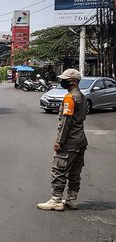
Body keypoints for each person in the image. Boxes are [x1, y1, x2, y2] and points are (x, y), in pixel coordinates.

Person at [37, 68, 88, 211]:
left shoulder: (70, 98)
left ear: (73, 81)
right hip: (81, 139)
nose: (62, 81)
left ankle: (56, 200)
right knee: (75, 172)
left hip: (70, 141)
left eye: (64, 79)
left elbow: (66, 122)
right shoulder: (82, 97)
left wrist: (59, 141)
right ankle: (72, 199)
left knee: (59, 169)